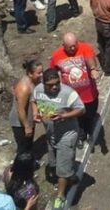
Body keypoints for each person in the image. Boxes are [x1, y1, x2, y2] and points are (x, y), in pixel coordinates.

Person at [32, 69, 85, 209]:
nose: (54, 87)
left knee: (61, 168)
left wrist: (64, 116)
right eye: (50, 85)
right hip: (51, 134)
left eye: (57, 83)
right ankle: (71, 178)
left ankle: (60, 195)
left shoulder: (68, 93)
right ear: (44, 84)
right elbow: (33, 101)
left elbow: (81, 109)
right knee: (54, 162)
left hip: (67, 135)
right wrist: (35, 113)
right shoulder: (38, 90)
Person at [50, 33, 103, 148]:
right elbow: (52, 72)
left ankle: (89, 132)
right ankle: (80, 136)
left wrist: (93, 69)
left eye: (74, 45)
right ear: (63, 45)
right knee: (76, 119)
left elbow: (89, 58)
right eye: (69, 46)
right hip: (72, 97)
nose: (73, 48)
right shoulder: (57, 55)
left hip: (89, 94)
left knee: (89, 115)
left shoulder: (85, 48)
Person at [11, 60, 43, 153]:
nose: (41, 75)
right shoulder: (24, 88)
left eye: (42, 72)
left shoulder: (35, 81)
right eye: (39, 73)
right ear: (30, 74)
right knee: (23, 148)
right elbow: (20, 109)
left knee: (29, 145)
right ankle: (19, 166)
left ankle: (29, 163)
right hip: (20, 123)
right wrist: (27, 126)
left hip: (29, 119)